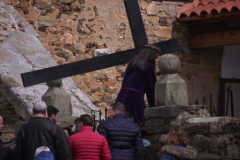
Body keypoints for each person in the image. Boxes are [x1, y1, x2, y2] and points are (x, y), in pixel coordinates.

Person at [115, 45, 160, 123]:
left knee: (120, 121)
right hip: (135, 98)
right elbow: (151, 88)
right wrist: (153, 104)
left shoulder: (132, 64)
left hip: (122, 95)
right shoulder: (149, 67)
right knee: (136, 123)